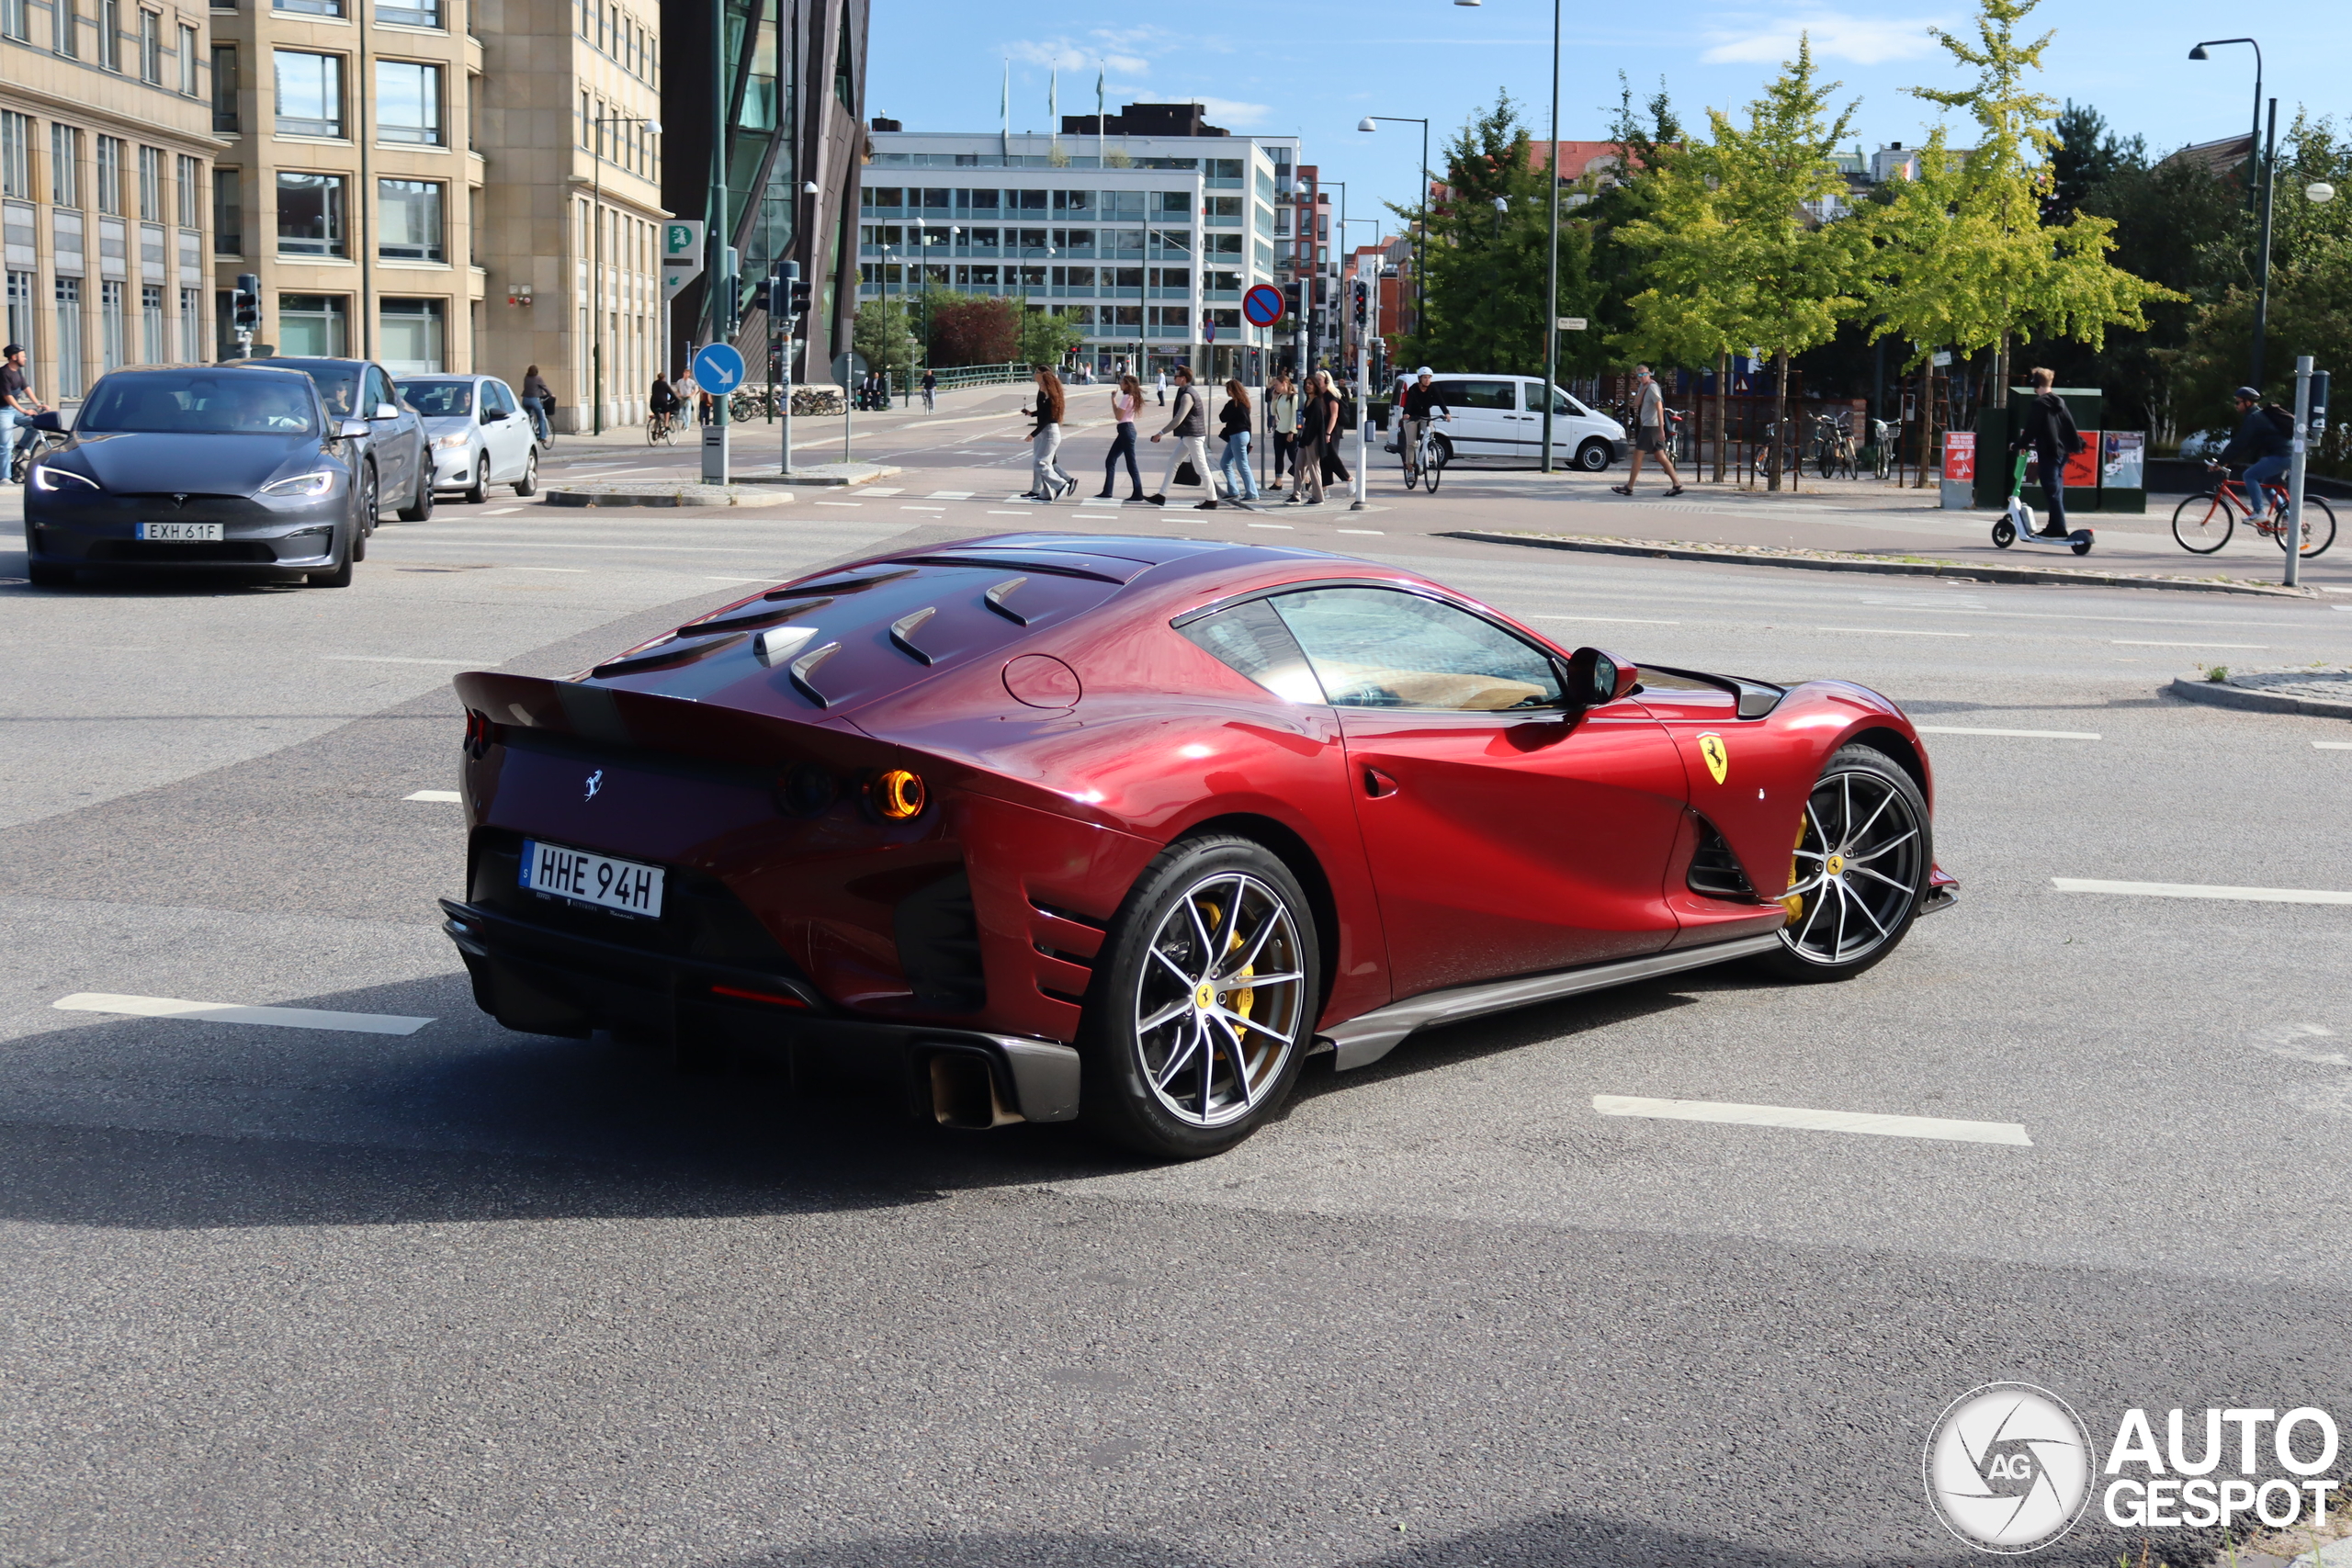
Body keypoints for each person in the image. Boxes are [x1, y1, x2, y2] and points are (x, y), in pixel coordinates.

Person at [2009, 367, 2085, 536]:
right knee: (2056, 490)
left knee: (2051, 490)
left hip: (2049, 452)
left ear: (2035, 383)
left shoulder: (2039, 404)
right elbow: (2068, 426)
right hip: (2062, 452)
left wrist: (2017, 445)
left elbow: (2031, 430)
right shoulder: (2059, 402)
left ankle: (2057, 528)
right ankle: (2056, 525)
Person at [2217, 383, 2292, 522]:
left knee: (2249, 476)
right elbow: (2245, 445)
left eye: (2238, 402)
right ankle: (2287, 516)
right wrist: (2227, 460)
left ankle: (2259, 512)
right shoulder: (2259, 416)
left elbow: (2239, 443)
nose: (2236, 405)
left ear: (2248, 402)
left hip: (2281, 456)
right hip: (2286, 455)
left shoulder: (2254, 418)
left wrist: (2220, 462)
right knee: (2267, 488)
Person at [1611, 364, 1686, 497]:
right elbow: (1636, 403)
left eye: (1645, 374)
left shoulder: (1653, 387)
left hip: (1652, 427)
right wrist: (1643, 389)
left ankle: (1629, 487)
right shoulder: (1645, 386)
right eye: (1639, 375)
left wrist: (1661, 429)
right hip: (1650, 426)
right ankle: (1677, 485)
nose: (1642, 377)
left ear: (1649, 373)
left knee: (1637, 455)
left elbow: (1659, 408)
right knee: (1660, 456)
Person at [1145, 365, 1213, 508]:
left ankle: (1212, 500)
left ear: (1183, 379)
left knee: (1202, 468)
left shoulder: (1188, 395)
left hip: (1193, 436)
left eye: (1176, 376)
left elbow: (1178, 419)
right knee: (1173, 462)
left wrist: (1160, 433)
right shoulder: (1183, 391)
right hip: (1187, 436)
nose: (1173, 378)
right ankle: (1161, 495)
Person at [1021, 367, 1077, 502]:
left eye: (1036, 373)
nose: (1034, 375)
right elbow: (1043, 412)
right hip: (1044, 431)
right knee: (1045, 463)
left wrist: (1033, 434)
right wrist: (1031, 413)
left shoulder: (1050, 394)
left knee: (1039, 462)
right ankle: (1046, 494)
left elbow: (1048, 418)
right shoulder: (1042, 391)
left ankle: (1061, 484)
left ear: (1043, 375)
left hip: (1049, 432)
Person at [1287, 371, 1336, 506]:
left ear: (1315, 386)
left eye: (1310, 384)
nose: (1307, 386)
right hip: (1305, 439)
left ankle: (1318, 497)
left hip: (1313, 440)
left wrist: (1308, 439)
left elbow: (1316, 424)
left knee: (1314, 468)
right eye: (1306, 384)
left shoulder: (1317, 402)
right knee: (1298, 466)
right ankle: (1296, 495)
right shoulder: (1308, 401)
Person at [1, 343, 47, 482]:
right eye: (23, 356)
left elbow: (26, 387)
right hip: (2, 411)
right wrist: (23, 410)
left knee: (35, 424)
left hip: (12, 410)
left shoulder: (17, 371)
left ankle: (21, 449)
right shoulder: (3, 373)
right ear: (14, 357)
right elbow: (7, 396)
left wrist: (38, 404)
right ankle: (4, 477)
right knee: (5, 445)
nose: (25, 359)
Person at [1396, 367, 1451, 484]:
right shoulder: (1414, 389)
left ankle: (1430, 452)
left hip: (1425, 417)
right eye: (1425, 377)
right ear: (1420, 378)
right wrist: (1406, 413)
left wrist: (1446, 413)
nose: (1427, 380)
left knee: (1430, 434)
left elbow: (1441, 401)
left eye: (1429, 378)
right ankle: (1410, 470)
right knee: (1411, 443)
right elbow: (1409, 402)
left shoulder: (1433, 389)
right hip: (1412, 418)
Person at [1098, 373, 1146, 500]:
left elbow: (1118, 416)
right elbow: (1119, 415)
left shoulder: (1127, 397)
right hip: (1127, 430)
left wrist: (1114, 400)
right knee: (1111, 460)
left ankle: (1138, 493)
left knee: (1131, 463)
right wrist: (1114, 399)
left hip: (1126, 430)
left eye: (1122, 382)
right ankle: (1107, 491)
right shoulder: (1133, 397)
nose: (1120, 383)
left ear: (1127, 385)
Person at [1216, 378, 1259, 504]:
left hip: (1237, 436)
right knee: (1225, 462)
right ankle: (1233, 491)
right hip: (1242, 435)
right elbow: (1248, 423)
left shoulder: (1233, 404)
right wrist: (1249, 440)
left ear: (1232, 390)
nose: (1227, 392)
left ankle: (1252, 492)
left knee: (1242, 465)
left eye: (1228, 389)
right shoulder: (1245, 403)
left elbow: (1222, 418)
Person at [1266, 374, 1298, 493]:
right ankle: (1278, 482)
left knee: (1293, 457)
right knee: (1279, 457)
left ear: (1284, 383)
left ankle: (1305, 479)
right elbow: (1273, 412)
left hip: (1290, 432)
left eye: (1276, 385)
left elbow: (1295, 415)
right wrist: (1274, 399)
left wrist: (1292, 431)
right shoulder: (1280, 397)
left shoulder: (1293, 397)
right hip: (1279, 430)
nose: (1275, 387)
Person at [520, 365, 555, 443]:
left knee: (528, 417)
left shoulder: (526, 378)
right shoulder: (538, 378)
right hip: (534, 400)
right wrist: (551, 394)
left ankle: (527, 433)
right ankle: (542, 437)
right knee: (541, 418)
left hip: (525, 400)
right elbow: (544, 387)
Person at [648, 371, 680, 435]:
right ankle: (666, 424)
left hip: (653, 403)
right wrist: (676, 399)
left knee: (658, 416)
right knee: (667, 411)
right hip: (662, 402)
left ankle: (654, 429)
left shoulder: (654, 383)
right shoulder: (664, 384)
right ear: (664, 378)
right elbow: (672, 393)